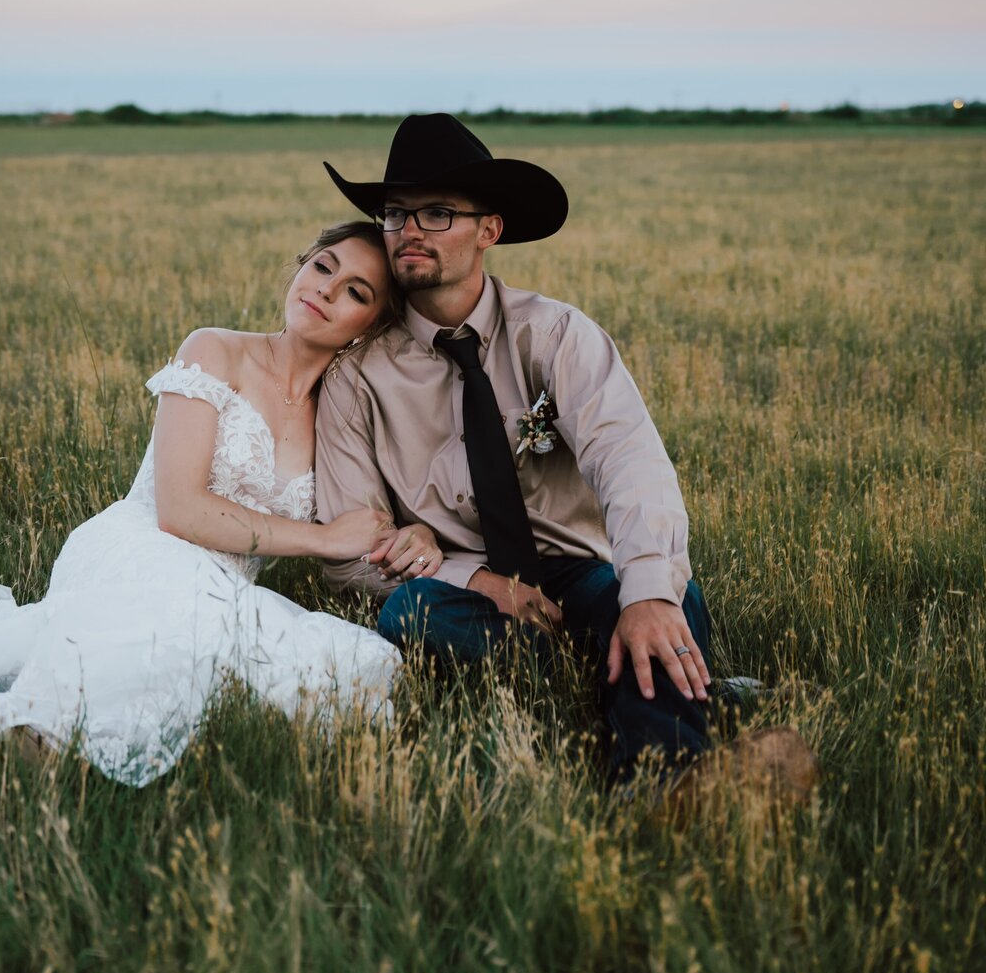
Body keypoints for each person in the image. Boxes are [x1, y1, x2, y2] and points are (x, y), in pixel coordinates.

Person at [0, 223, 413, 786]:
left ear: (376, 322)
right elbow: (181, 512)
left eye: (357, 291)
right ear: (301, 265)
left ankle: (23, 734)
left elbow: (377, 520)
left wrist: (422, 542)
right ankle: (31, 734)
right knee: (192, 630)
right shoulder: (215, 350)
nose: (326, 290)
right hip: (139, 545)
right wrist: (323, 538)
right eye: (323, 266)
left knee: (310, 669)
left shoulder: (340, 411)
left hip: (222, 583)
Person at [317, 113, 814, 792]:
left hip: (580, 574)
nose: (408, 230)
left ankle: (658, 780)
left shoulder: (555, 335)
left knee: (660, 592)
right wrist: (477, 580)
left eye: (436, 213)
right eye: (395, 212)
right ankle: (648, 687)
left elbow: (629, 459)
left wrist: (646, 596)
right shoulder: (357, 377)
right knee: (410, 614)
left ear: (489, 230)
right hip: (471, 590)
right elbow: (349, 552)